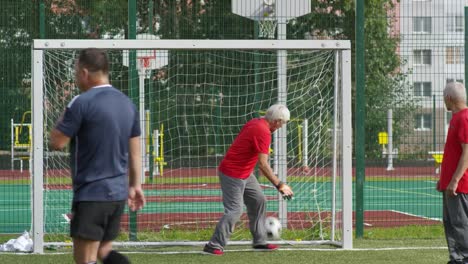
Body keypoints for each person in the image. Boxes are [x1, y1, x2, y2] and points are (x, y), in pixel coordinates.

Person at [49, 48, 145, 264]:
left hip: (92, 193)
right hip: (118, 194)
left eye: (75, 73)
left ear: (84, 72)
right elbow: (135, 152)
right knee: (103, 251)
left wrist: (67, 112)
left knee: (84, 259)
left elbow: (57, 142)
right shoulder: (127, 104)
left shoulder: (81, 102)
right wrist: (135, 185)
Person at [203, 104, 294, 256]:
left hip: (245, 173)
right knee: (235, 210)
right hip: (233, 174)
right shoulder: (263, 131)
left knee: (259, 200)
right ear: (277, 121)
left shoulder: (256, 122)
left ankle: (259, 241)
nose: (281, 126)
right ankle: (214, 245)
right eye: (282, 123)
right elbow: (263, 165)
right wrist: (280, 185)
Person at [438, 81, 468, 264]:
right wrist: (444, 179)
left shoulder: (464, 118)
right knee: (450, 223)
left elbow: (467, 151)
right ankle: (456, 258)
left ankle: (464, 257)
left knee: (461, 223)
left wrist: (455, 180)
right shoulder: (457, 118)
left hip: (461, 184)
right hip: (451, 184)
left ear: (449, 98)